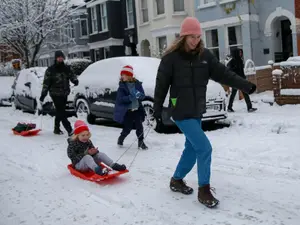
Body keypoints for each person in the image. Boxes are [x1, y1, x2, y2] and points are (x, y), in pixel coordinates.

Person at [153, 17, 257, 208]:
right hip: (181, 110)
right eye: (191, 36)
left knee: (192, 149)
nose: (195, 40)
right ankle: (204, 189)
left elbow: (224, 74)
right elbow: (161, 85)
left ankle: (176, 180)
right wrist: (157, 109)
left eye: (198, 36)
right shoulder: (171, 58)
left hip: (197, 109)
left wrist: (246, 86)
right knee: (204, 148)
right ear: (183, 36)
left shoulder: (205, 56)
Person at [39, 50, 79, 136]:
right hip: (55, 93)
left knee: (59, 111)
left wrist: (75, 80)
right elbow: (46, 83)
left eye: (61, 57)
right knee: (61, 112)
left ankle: (56, 129)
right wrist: (43, 95)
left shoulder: (66, 68)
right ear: (56, 58)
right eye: (58, 57)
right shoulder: (50, 70)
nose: (60, 58)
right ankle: (70, 130)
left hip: (65, 93)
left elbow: (72, 76)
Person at [113, 65, 148, 150]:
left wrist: (138, 95)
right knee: (127, 128)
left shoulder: (137, 84)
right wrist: (130, 97)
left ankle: (141, 142)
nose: (122, 76)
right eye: (122, 75)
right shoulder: (122, 87)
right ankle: (121, 138)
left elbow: (142, 96)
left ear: (129, 76)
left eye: (124, 75)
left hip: (137, 110)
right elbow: (120, 99)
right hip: (128, 111)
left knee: (140, 127)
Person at [227, 48, 257, 112]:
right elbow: (229, 70)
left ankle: (249, 108)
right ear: (236, 53)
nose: (240, 54)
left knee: (245, 93)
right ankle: (229, 107)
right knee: (233, 94)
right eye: (239, 52)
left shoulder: (240, 60)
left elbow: (241, 71)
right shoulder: (232, 61)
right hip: (235, 81)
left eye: (241, 52)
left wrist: (244, 77)